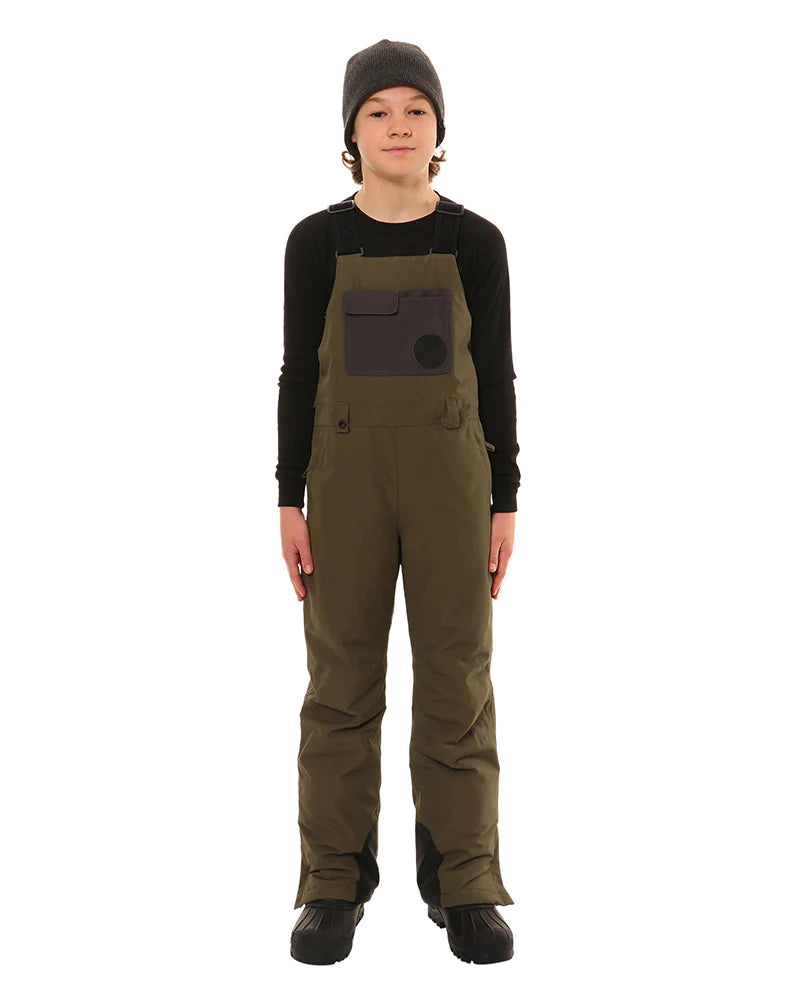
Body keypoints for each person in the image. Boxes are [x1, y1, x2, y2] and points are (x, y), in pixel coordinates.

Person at [277, 39, 521, 965]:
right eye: (377, 111)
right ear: (351, 132)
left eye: (416, 109)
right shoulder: (316, 242)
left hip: (454, 483)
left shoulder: (475, 241)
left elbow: (495, 376)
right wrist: (287, 498)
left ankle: (464, 883)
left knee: (457, 677)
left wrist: (506, 497)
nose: (398, 126)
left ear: (439, 128)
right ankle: (332, 883)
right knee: (340, 680)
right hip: (342, 483)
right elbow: (299, 376)